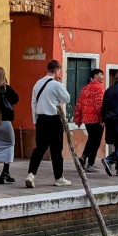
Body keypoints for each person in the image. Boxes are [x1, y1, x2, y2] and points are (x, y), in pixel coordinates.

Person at [26, 60, 72, 189]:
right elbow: (67, 99)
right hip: (54, 119)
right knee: (56, 150)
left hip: (41, 119)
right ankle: (58, 177)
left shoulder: (37, 84)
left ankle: (31, 174)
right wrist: (62, 85)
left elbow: (33, 104)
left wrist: (35, 121)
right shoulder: (57, 85)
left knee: (39, 148)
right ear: (57, 70)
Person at [73, 69, 106, 170]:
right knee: (96, 141)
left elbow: (79, 104)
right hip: (96, 119)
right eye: (101, 75)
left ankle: (84, 157)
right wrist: (103, 118)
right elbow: (99, 105)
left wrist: (78, 119)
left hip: (87, 120)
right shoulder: (99, 88)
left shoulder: (85, 89)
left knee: (91, 139)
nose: (103, 77)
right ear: (95, 76)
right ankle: (90, 163)